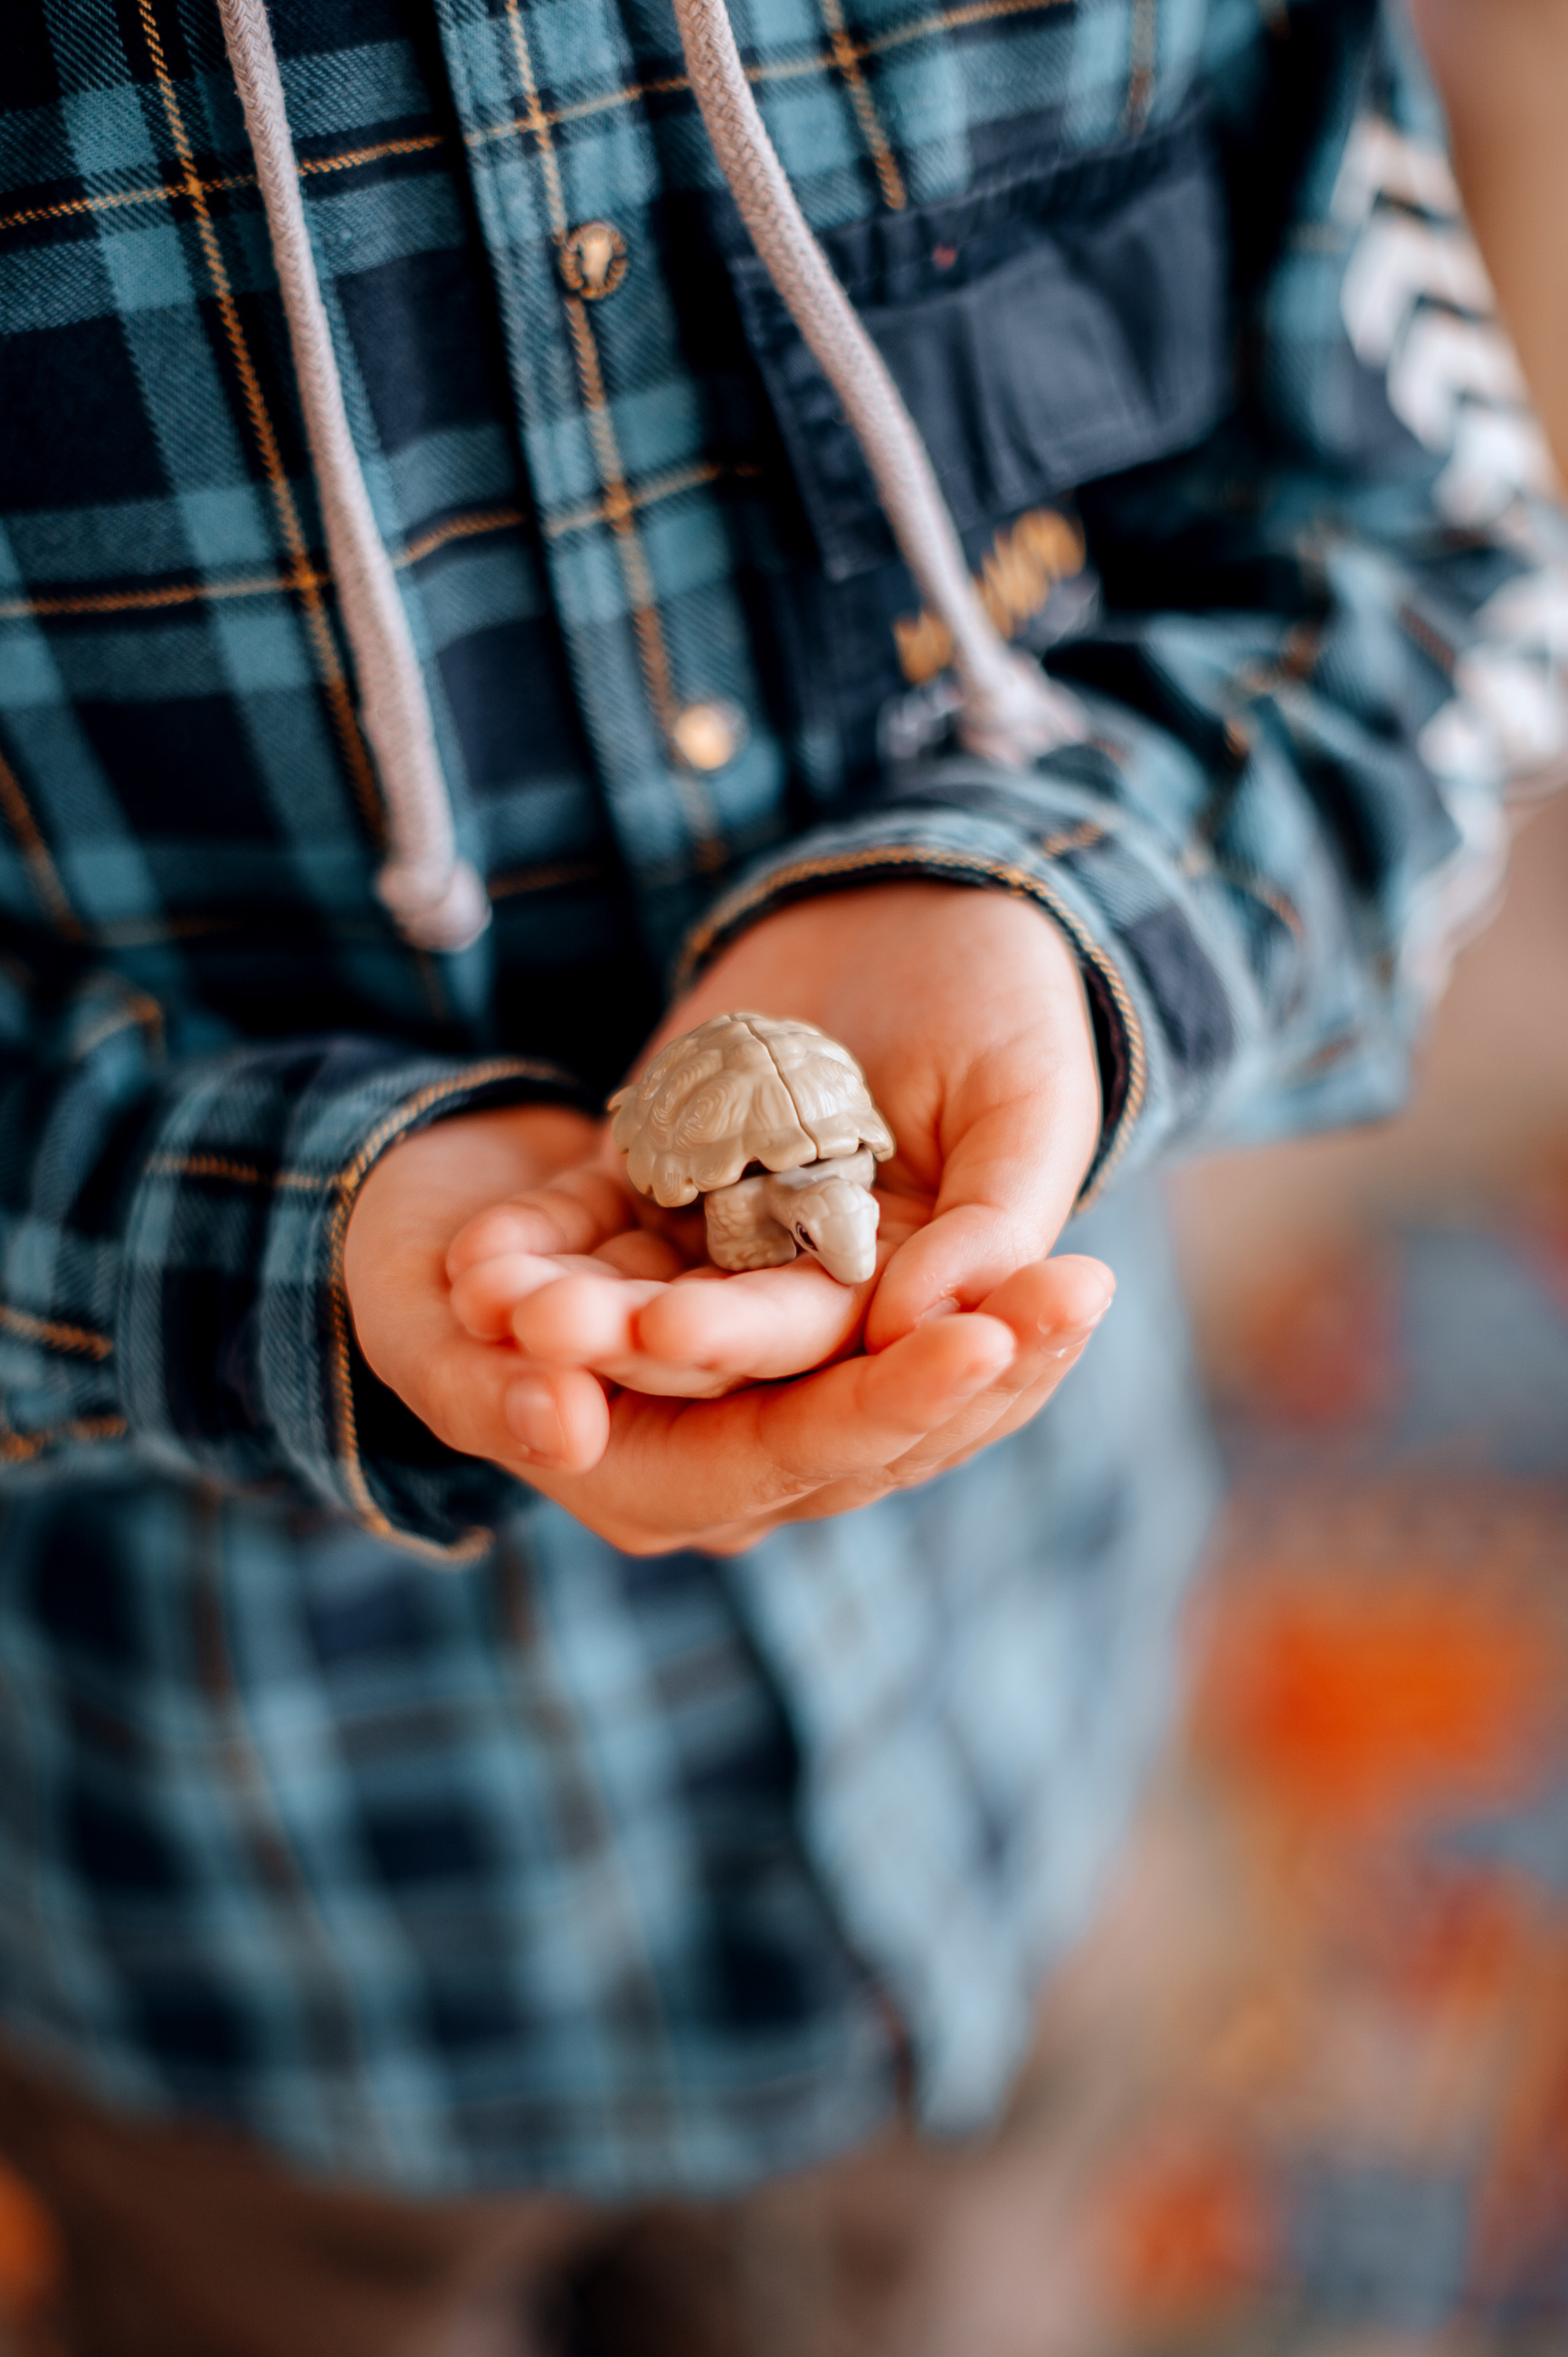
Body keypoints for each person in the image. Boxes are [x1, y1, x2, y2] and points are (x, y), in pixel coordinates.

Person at [0, 0, 1562, 2347]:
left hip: (1012, 1747)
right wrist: (272, 1230)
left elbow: (1434, 574)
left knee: (950, 2271)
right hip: (247, 1934)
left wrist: (1055, 918)